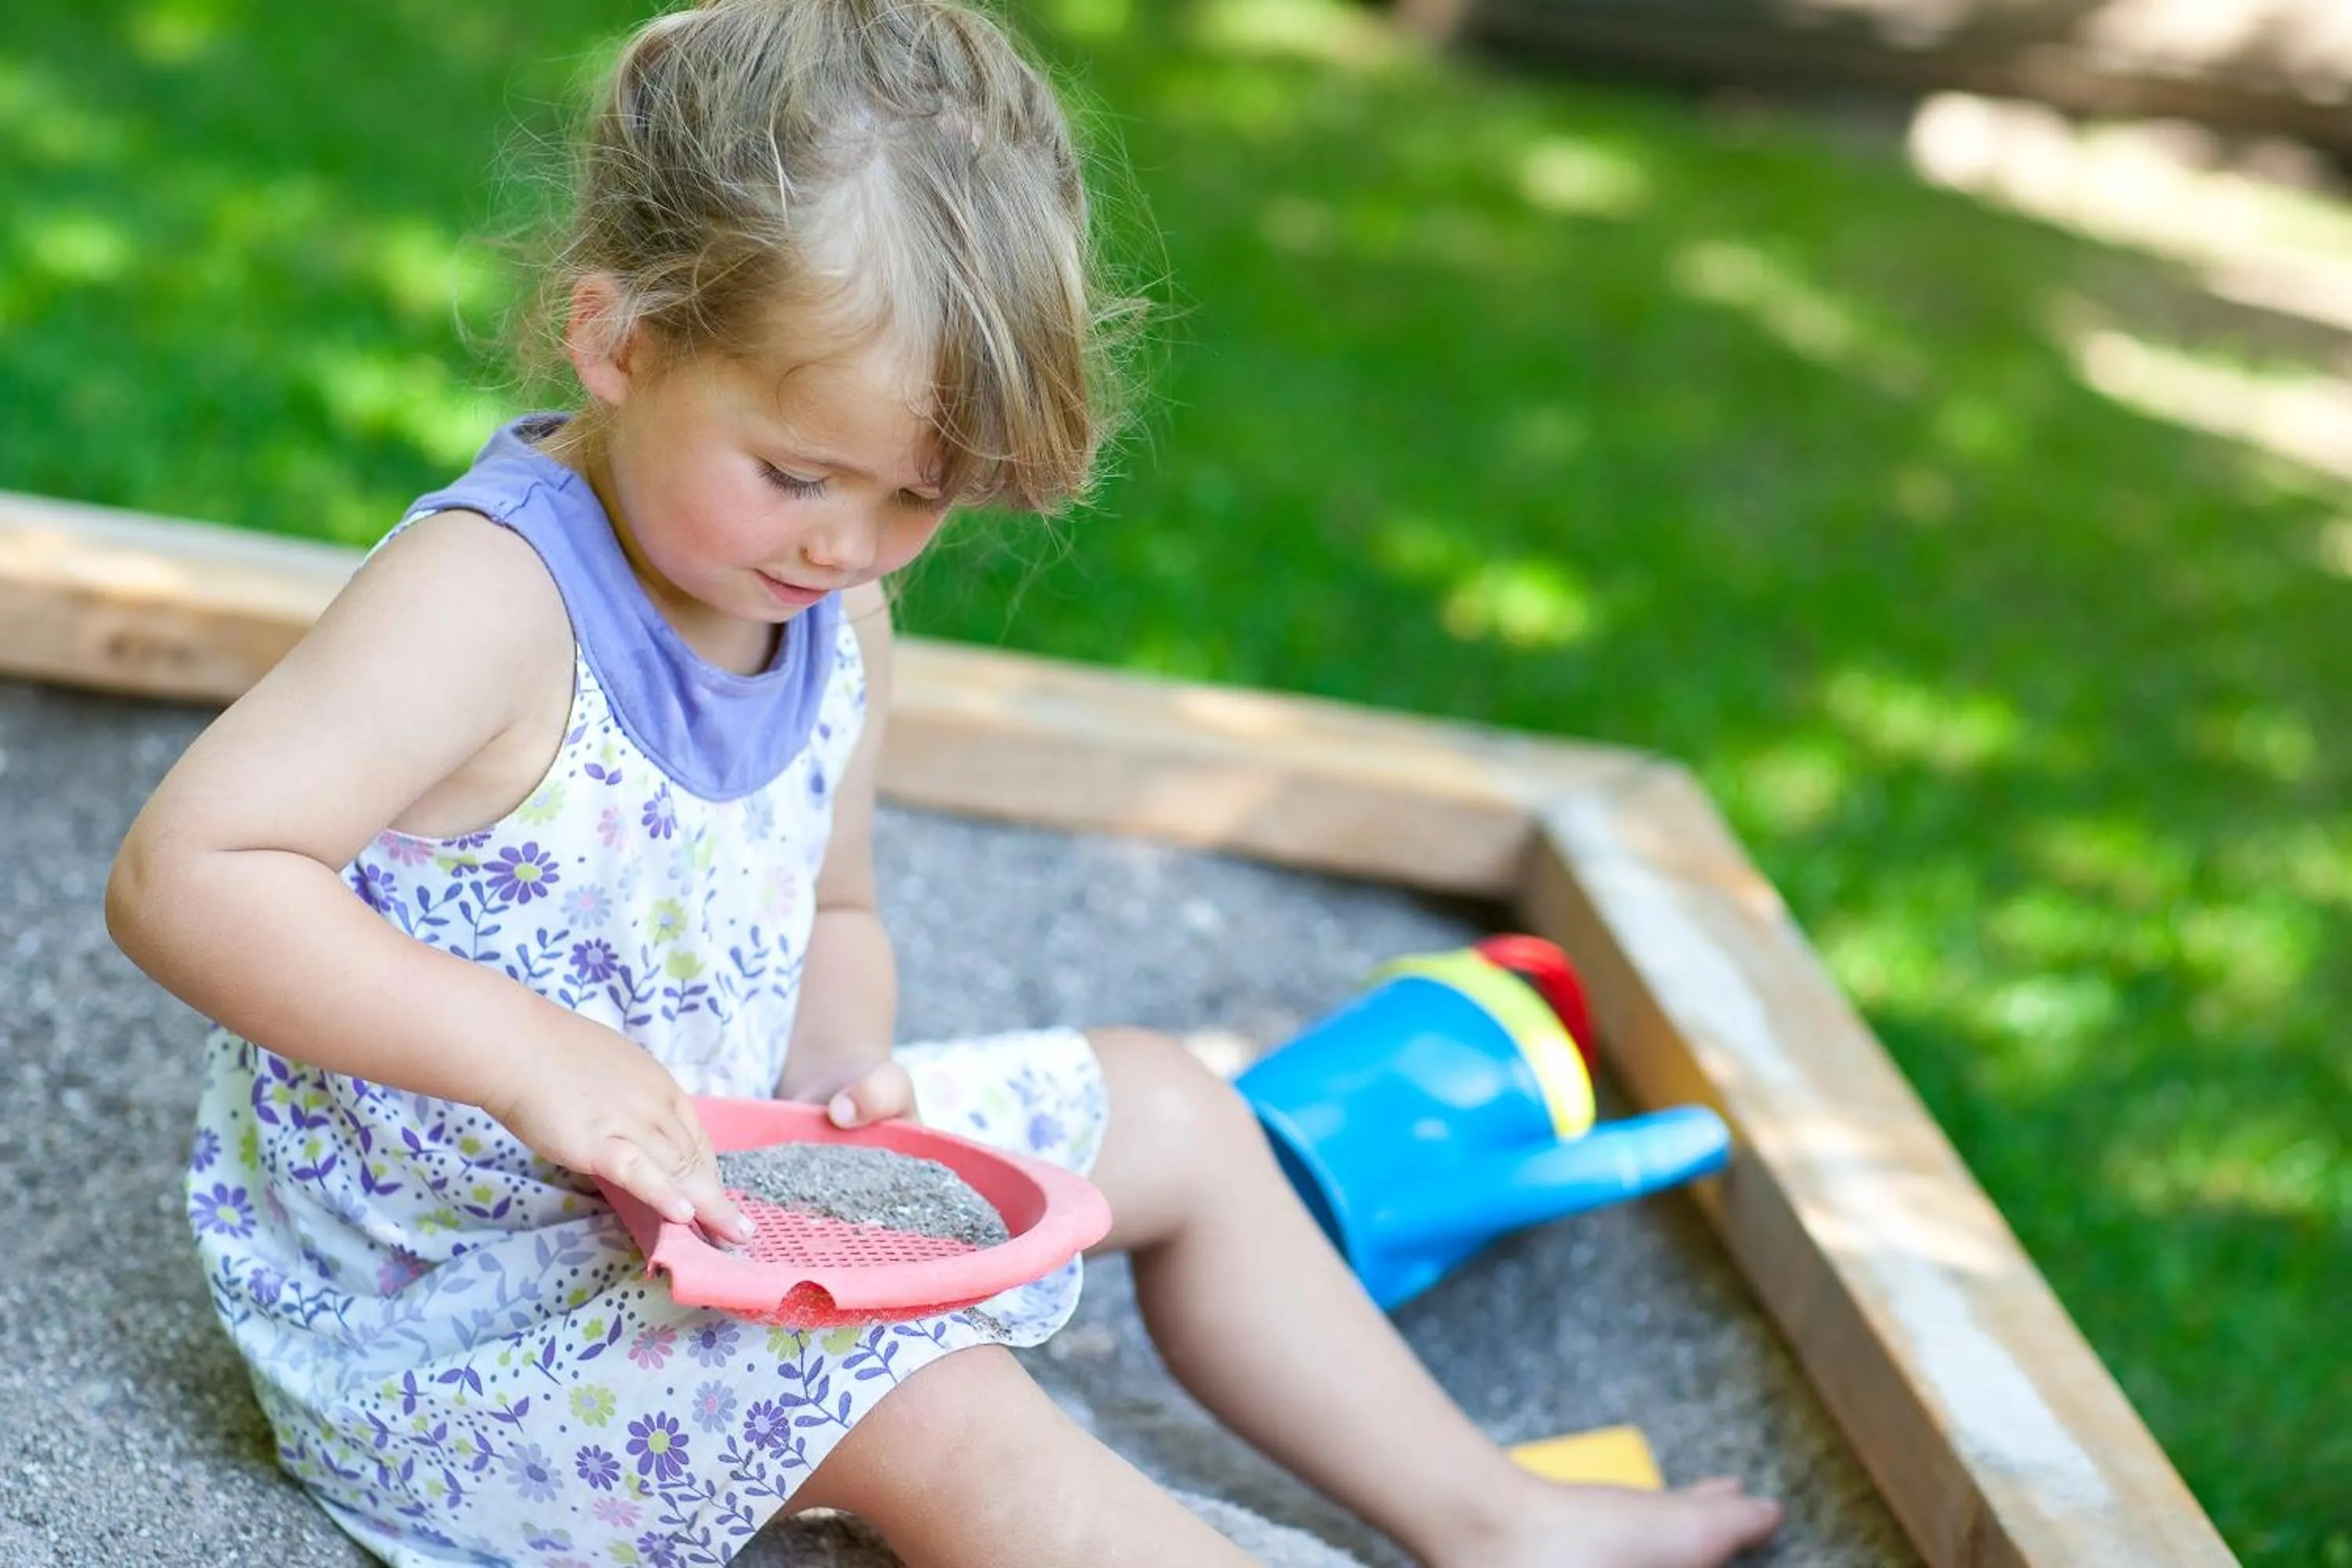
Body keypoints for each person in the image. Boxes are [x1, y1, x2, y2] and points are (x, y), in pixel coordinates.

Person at [105, 2, 1784, 1563]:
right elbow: (193, 869)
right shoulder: (490, 604)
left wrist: (844, 1080)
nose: (849, 541)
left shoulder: (835, 611)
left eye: (914, 498)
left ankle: (1495, 1516)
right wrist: (529, 1054)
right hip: (458, 1311)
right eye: (797, 474)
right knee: (952, 1415)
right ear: (615, 339)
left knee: (1184, 1111)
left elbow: (833, 900)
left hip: (717, 1181)